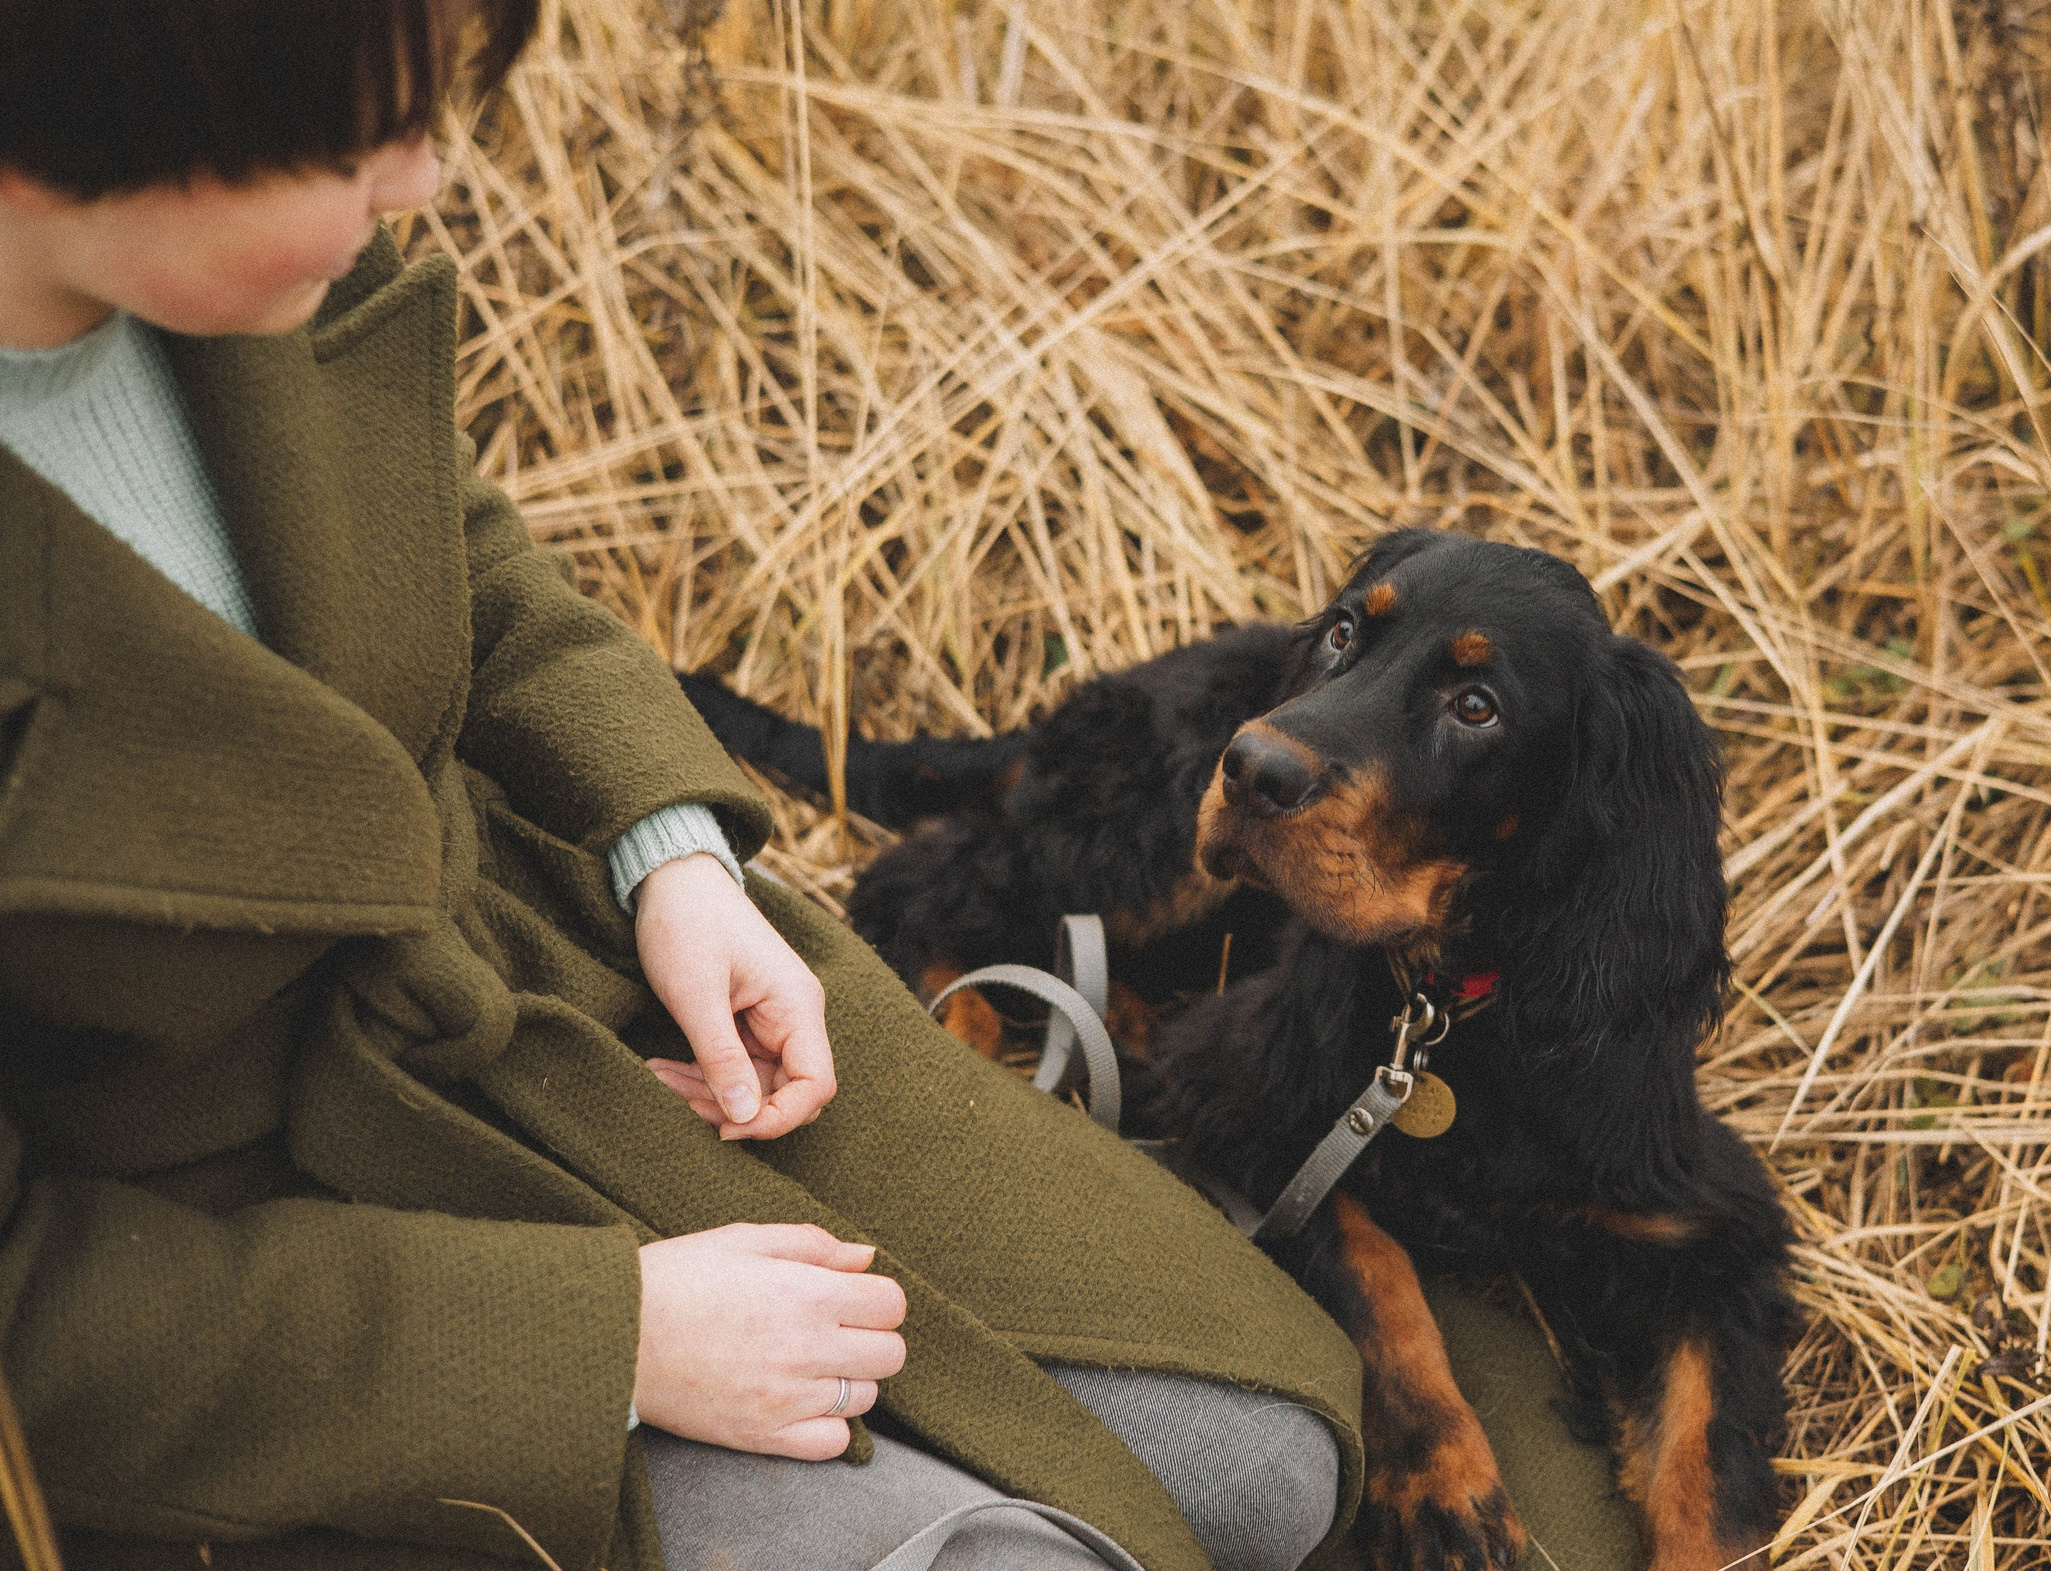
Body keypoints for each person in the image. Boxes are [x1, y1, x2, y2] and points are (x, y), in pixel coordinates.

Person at [0, 3, 1358, 1568]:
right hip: (288, 1312)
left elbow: (452, 551)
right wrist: (605, 1344)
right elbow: (32, 1316)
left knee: (1273, 1460)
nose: (423, 180)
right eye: (352, 137)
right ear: (66, 121)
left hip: (555, 986)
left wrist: (671, 852)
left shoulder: (248, 262)